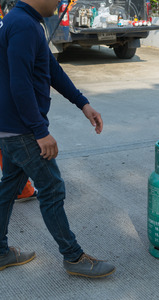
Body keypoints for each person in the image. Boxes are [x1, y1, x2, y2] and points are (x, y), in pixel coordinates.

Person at [0, 0, 115, 277]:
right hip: (22, 130)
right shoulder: (24, 25)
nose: (60, 1)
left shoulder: (17, 20)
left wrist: (82, 103)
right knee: (52, 189)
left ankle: (1, 252)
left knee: (8, 189)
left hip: (8, 127)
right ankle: (74, 258)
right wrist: (40, 131)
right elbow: (20, 83)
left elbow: (50, 68)